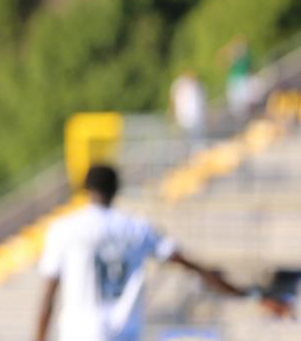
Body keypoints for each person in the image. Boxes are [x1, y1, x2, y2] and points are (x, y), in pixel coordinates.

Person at [35, 164, 290, 341]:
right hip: (124, 336)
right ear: (116, 189)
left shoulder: (64, 229)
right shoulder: (137, 229)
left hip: (78, 335)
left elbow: (49, 295)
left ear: (86, 189)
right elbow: (194, 268)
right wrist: (251, 295)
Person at [169, 70, 206, 150]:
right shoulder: (179, 84)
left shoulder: (198, 86)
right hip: (184, 118)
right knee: (183, 140)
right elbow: (173, 101)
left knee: (196, 142)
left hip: (196, 119)